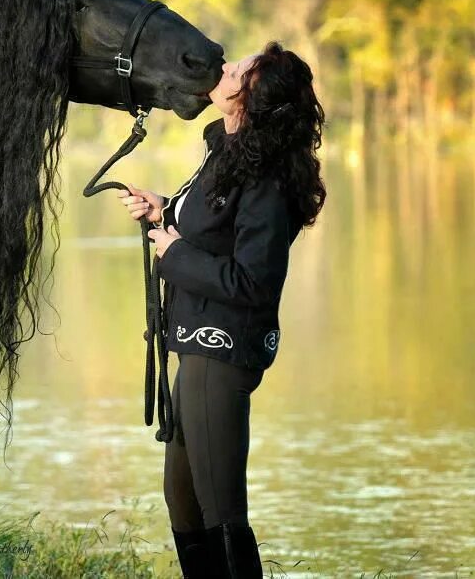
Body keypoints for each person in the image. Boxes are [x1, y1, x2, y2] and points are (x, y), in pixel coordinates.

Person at [117, 41, 327, 578]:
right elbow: (213, 230)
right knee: (182, 499)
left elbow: (254, 280)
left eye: (238, 71)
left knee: (221, 509)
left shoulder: (266, 178)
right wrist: (164, 212)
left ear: (251, 101)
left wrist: (174, 252)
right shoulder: (227, 154)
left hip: (224, 349)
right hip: (194, 345)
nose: (223, 68)